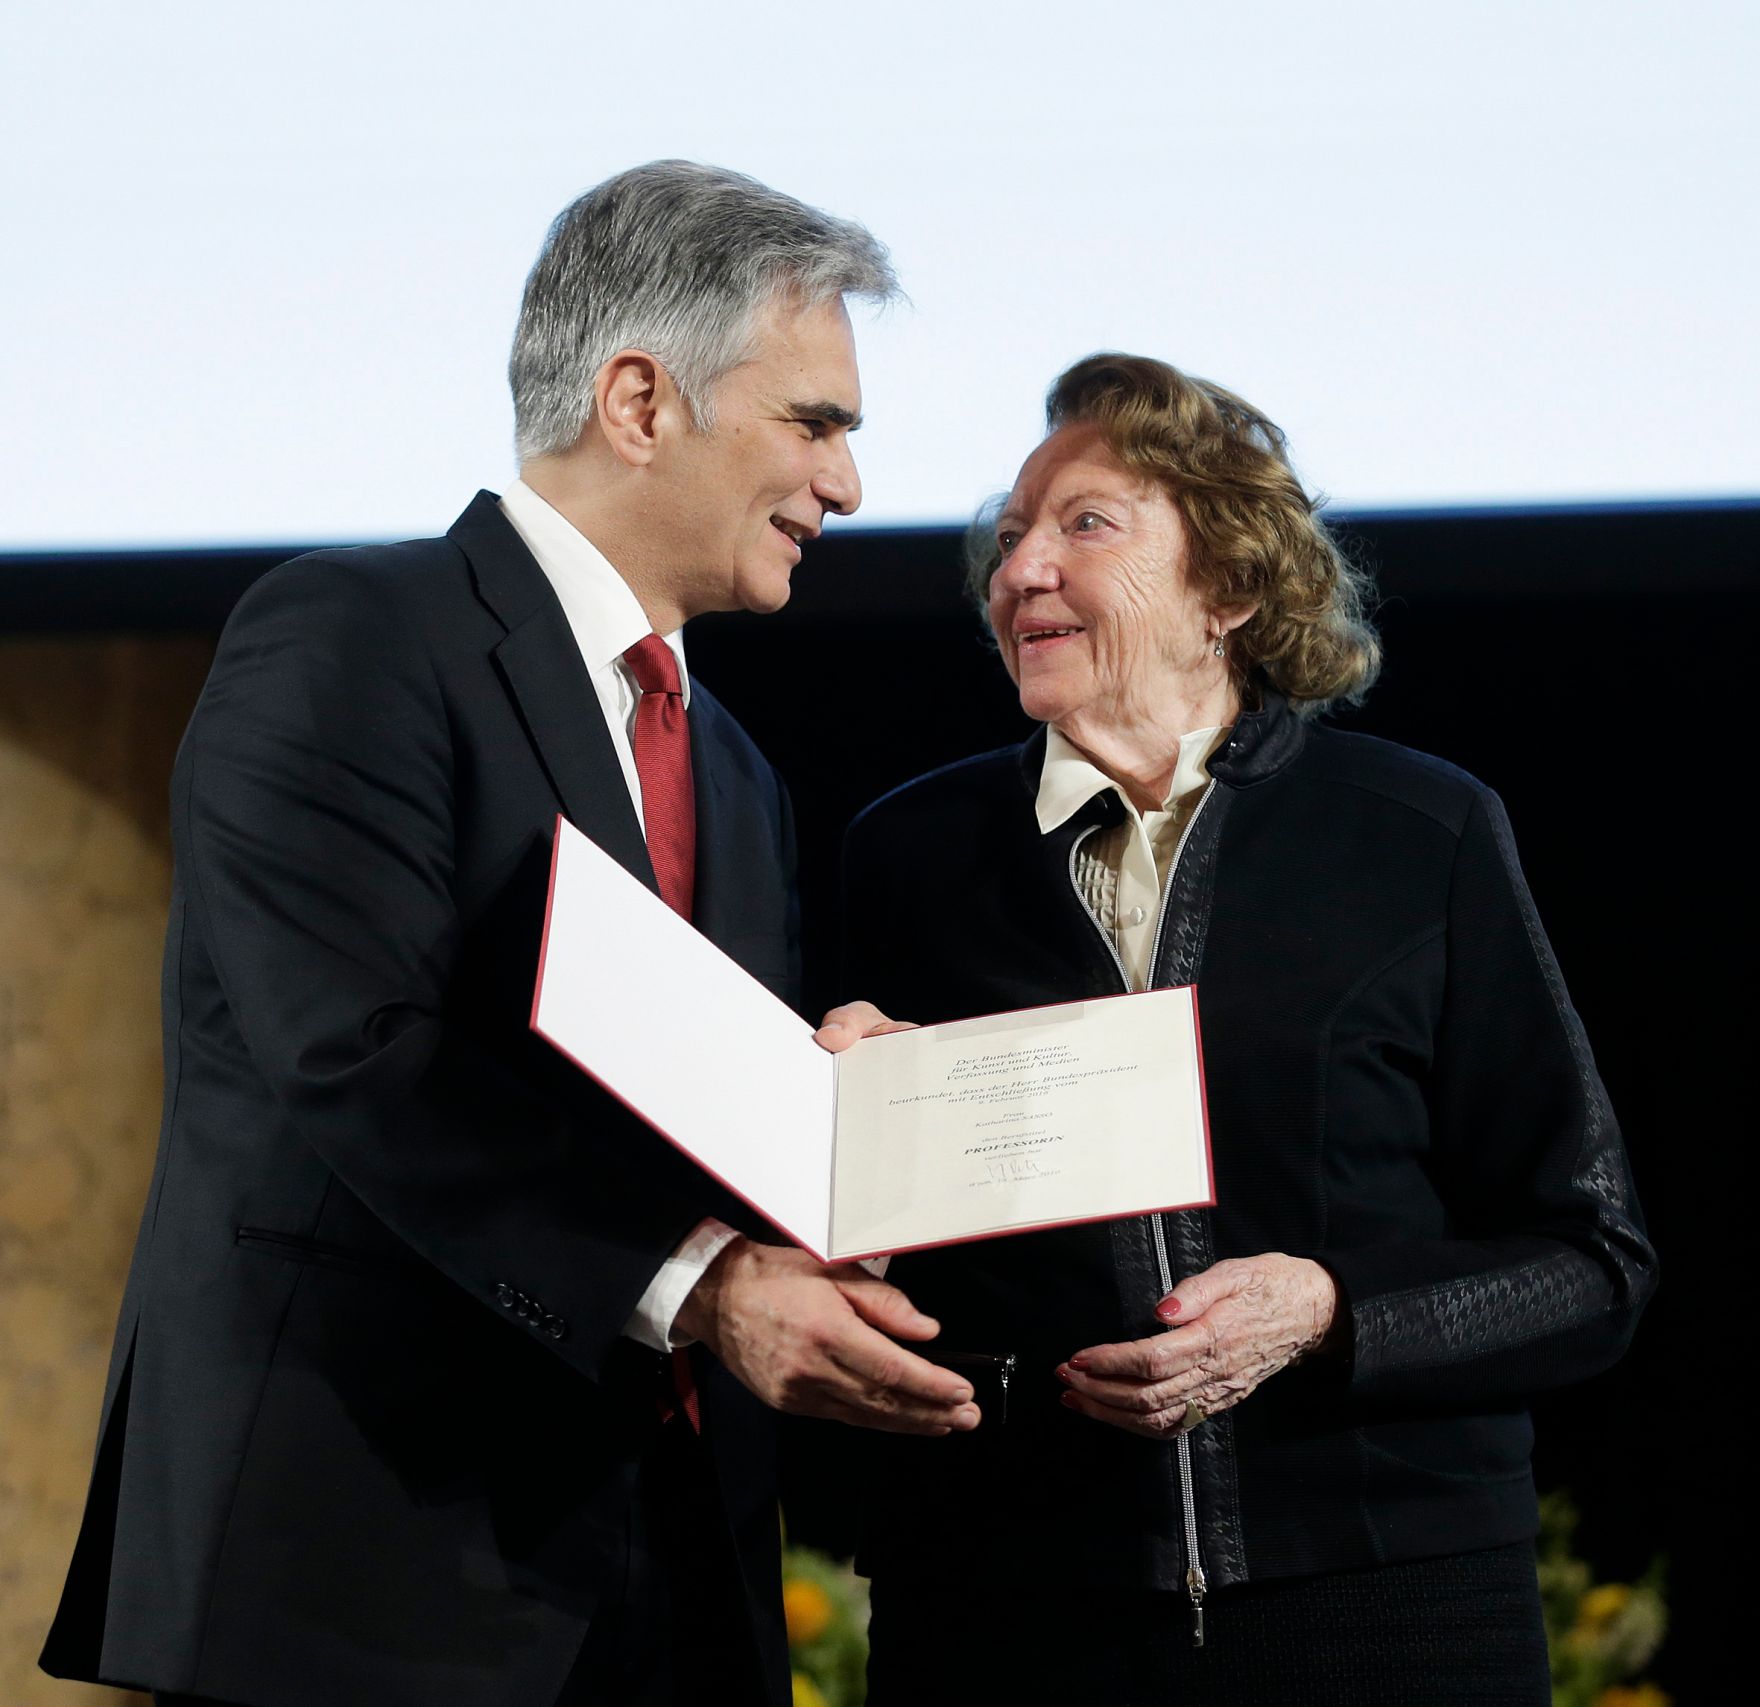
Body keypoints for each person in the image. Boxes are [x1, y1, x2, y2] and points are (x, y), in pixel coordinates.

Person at [40, 161, 980, 1707]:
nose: (848, 487)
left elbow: (670, 1111)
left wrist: (832, 1114)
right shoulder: (353, 637)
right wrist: (706, 1287)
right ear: (638, 399)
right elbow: (356, 1054)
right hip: (370, 1577)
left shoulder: (733, 772)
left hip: (669, 1580)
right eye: (816, 424)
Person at [834, 353, 1658, 1705]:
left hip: (1386, 1608)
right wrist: (836, 1142)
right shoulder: (907, 853)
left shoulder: (1420, 832)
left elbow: (1594, 1262)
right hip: (1012, 1615)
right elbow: (873, 1275)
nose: (1021, 568)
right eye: (1010, 537)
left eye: (1084, 524)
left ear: (1227, 588)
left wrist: (1326, 1312)